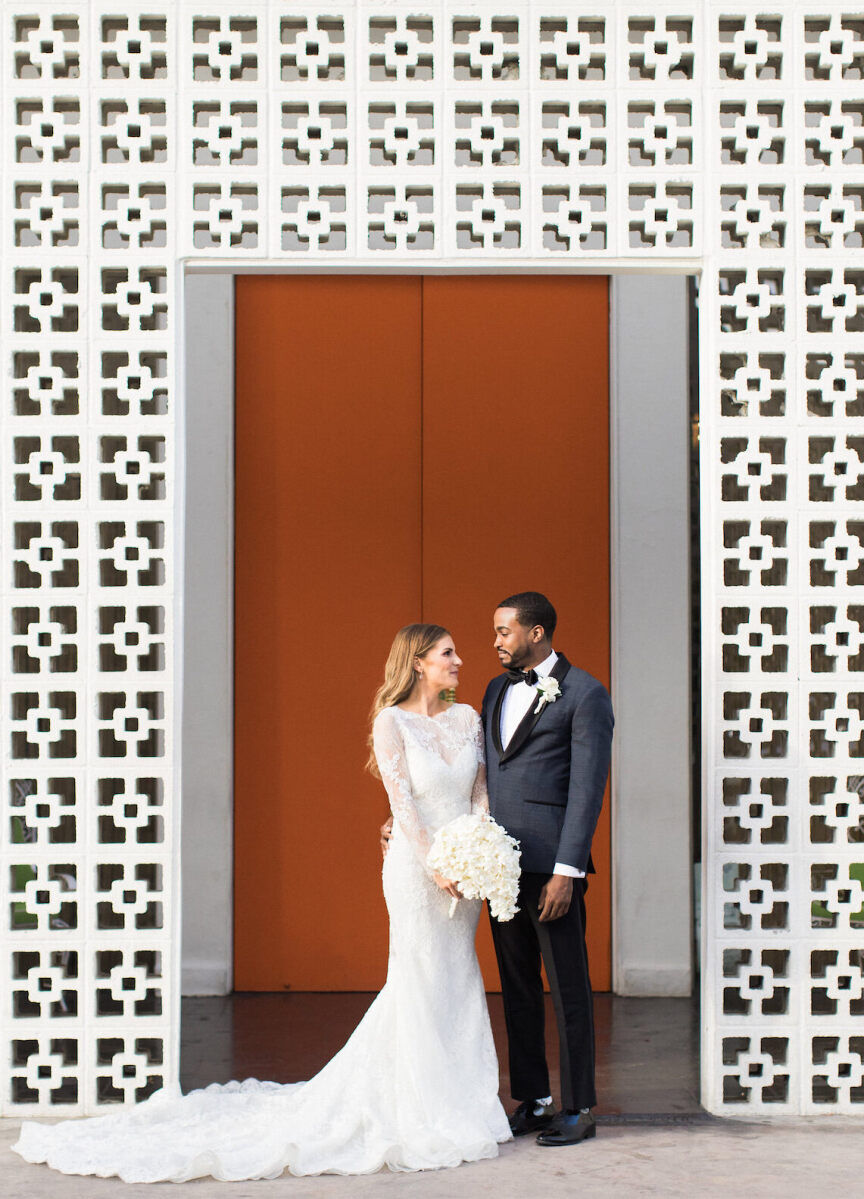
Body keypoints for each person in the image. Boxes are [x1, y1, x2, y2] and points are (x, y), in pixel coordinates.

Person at [11, 624, 510, 1183]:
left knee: (458, 975)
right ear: (418, 662)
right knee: (417, 978)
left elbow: (479, 792)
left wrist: (478, 848)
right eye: (447, 653)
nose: (459, 660)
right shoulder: (391, 723)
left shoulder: (467, 719)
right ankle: (422, 1108)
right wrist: (437, 865)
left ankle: (464, 1101)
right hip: (418, 876)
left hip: (465, 875)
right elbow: (404, 808)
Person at [485, 592, 613, 1147]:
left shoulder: (585, 693)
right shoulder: (494, 689)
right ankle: (533, 1099)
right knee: (516, 986)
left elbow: (586, 790)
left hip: (551, 870)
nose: (495, 642)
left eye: (504, 631)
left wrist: (568, 872)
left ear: (536, 633)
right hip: (498, 866)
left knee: (568, 988)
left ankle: (579, 1106)